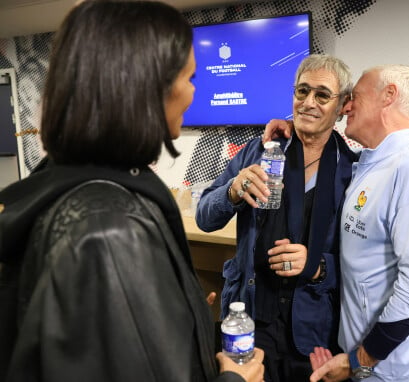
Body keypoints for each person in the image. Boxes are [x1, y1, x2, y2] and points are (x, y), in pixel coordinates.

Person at [0, 1, 264, 382]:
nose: (193, 94)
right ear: (145, 87)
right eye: (189, 78)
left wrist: (184, 317)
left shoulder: (76, 189)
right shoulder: (110, 229)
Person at [264, 64, 409, 381]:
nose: (346, 106)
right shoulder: (370, 163)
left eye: (355, 97)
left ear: (388, 96)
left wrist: (357, 359)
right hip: (363, 361)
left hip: (395, 368)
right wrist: (296, 125)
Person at [195, 54, 358, 381]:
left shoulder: (352, 170)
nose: (309, 102)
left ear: (342, 105)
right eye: (302, 91)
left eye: (322, 95)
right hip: (251, 318)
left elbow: (365, 262)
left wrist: (318, 265)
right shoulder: (260, 150)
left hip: (314, 331)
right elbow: (204, 217)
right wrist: (234, 189)